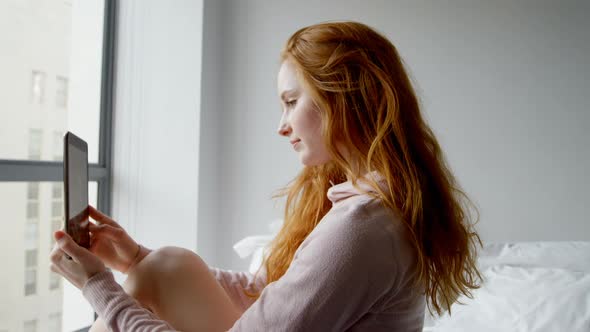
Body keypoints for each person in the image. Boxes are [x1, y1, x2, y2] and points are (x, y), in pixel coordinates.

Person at [49, 21, 483, 331]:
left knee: (138, 290)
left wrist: (99, 287)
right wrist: (135, 257)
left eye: (292, 101)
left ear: (345, 98)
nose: (282, 125)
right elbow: (269, 295)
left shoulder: (363, 228)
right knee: (166, 264)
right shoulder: (364, 206)